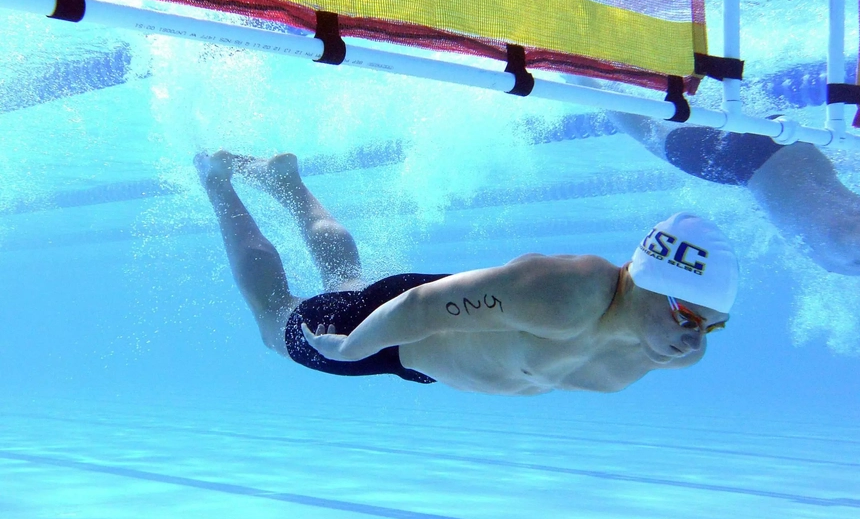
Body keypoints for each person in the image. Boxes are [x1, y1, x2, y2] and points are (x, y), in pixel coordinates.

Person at [194, 150, 737, 394]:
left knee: (345, 277)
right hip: (389, 334)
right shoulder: (570, 291)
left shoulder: (665, 349)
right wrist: (354, 346)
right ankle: (218, 181)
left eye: (711, 329)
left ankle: (286, 182)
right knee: (273, 322)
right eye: (689, 317)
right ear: (647, 280)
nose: (694, 344)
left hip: (426, 359)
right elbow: (420, 306)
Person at [608, 113, 860, 308]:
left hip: (789, 138)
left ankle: (599, 80)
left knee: (663, 124)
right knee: (649, 134)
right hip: (742, 164)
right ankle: (588, 83)